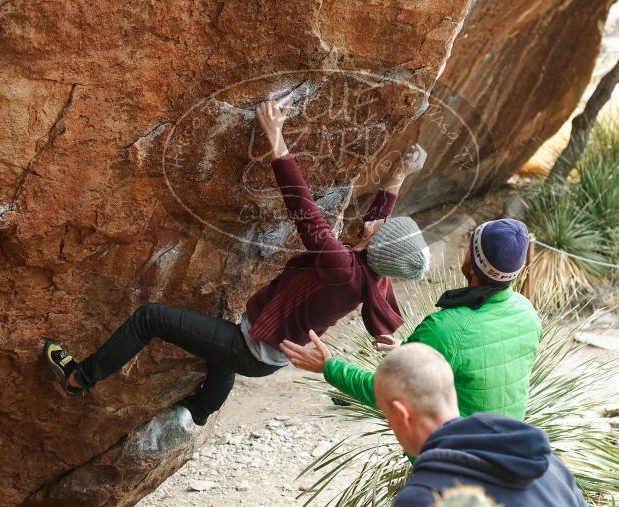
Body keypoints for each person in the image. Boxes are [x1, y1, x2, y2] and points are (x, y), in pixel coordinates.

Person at [43, 100, 431, 426]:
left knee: (150, 318)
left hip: (253, 349)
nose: (378, 218)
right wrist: (398, 174)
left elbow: (304, 209)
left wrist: (275, 137)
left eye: (380, 226)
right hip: (264, 355)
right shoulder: (370, 272)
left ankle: (80, 377)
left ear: (370, 243)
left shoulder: (341, 268)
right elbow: (379, 232)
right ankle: (198, 412)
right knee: (220, 358)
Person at [283, 218, 542, 420]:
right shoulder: (527, 313)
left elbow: (387, 392)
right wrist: (417, 353)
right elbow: (483, 367)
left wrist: (328, 366)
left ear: (472, 264)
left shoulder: (445, 329)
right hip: (508, 454)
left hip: (453, 465)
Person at [374, 343, 604, 507]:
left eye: (387, 415)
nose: (389, 423)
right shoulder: (546, 460)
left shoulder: (423, 499)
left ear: (401, 413)